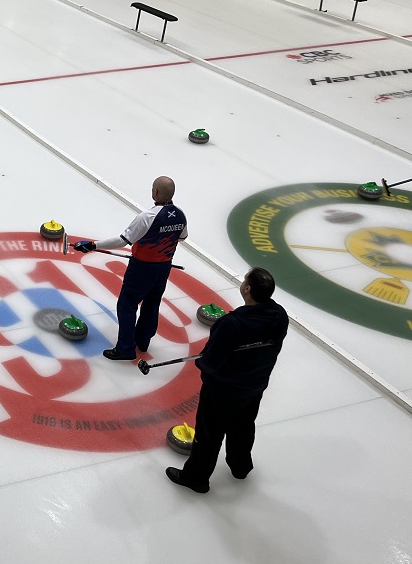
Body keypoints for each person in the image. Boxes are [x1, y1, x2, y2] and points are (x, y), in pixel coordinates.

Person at [167, 268, 288, 494]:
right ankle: (240, 467)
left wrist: (203, 365)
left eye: (245, 281)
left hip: (222, 392)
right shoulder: (279, 315)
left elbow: (210, 362)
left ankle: (196, 478)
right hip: (254, 386)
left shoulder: (231, 324)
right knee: (243, 427)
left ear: (248, 289)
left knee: (209, 434)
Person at [73, 175, 188, 360]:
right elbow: (182, 237)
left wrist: (94, 245)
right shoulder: (181, 215)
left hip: (142, 267)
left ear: (155, 192)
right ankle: (143, 341)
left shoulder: (147, 217)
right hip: (164, 267)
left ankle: (126, 348)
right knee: (152, 303)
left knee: (127, 304)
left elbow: (122, 240)